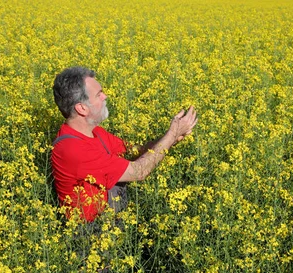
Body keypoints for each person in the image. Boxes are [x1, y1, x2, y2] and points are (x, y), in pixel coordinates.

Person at [51, 66, 197, 222]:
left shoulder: (96, 132)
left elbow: (135, 151)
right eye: (99, 94)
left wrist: (171, 139)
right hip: (90, 235)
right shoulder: (73, 150)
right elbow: (139, 171)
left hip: (110, 221)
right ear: (82, 108)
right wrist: (172, 134)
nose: (105, 97)